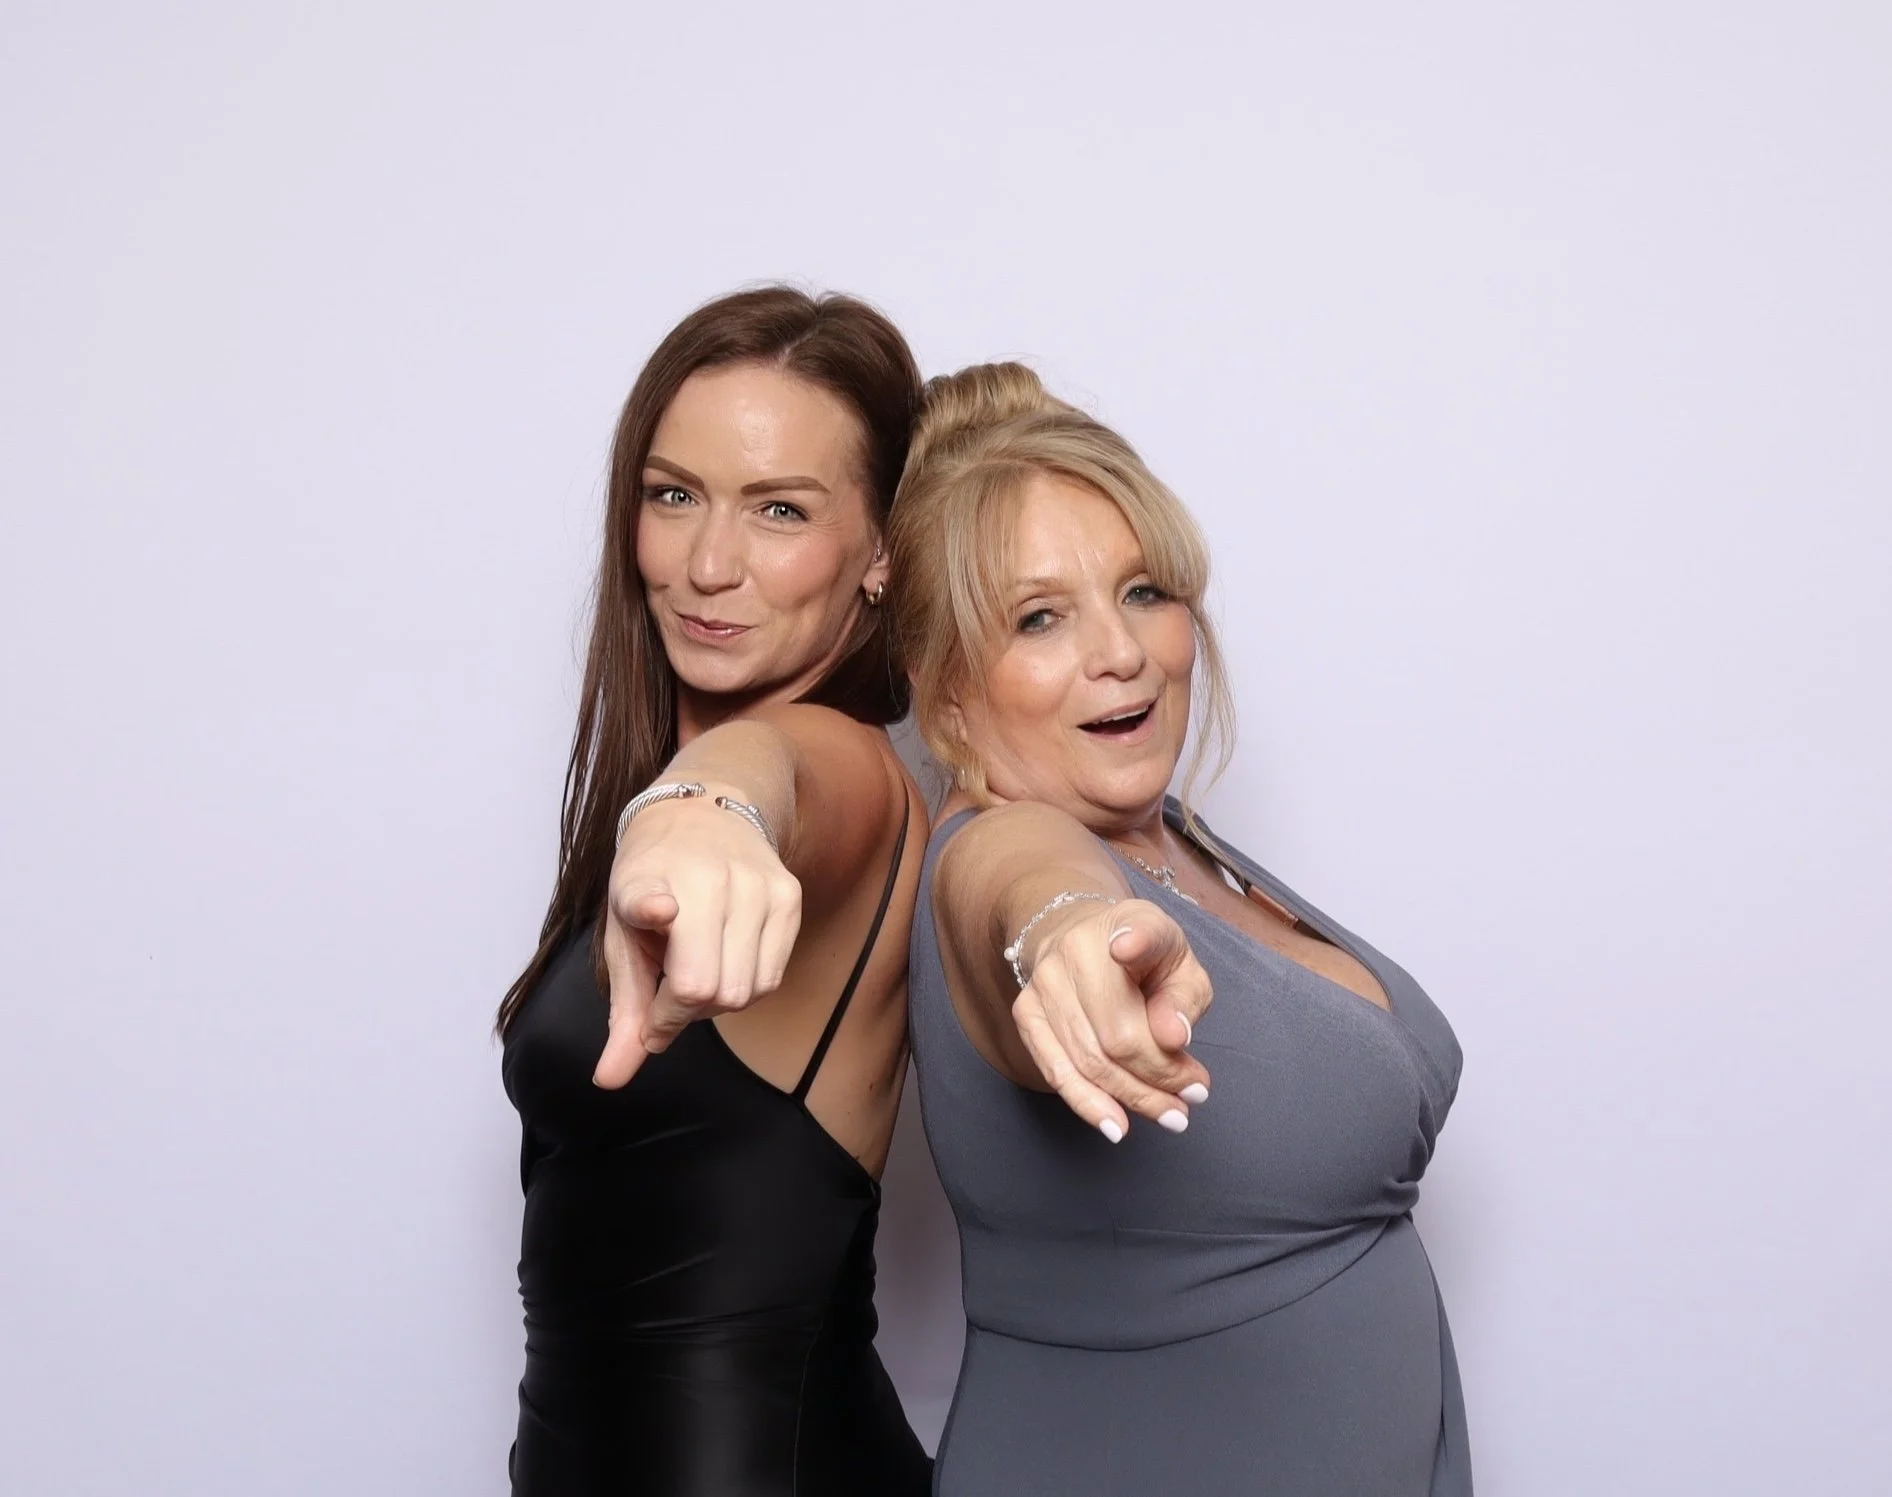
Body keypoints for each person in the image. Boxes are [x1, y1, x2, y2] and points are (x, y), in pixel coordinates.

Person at [886, 363, 1472, 1495]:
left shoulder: (1181, 844)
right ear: (945, 692)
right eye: (1039, 618)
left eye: (1144, 590)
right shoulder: (997, 850)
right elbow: (1020, 890)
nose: (1123, 651)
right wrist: (1063, 931)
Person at [498, 287, 934, 1495]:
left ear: (881, 554)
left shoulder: (849, 771)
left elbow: (776, 775)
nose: (705, 562)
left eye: (779, 510)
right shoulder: (637, 812)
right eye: (672, 494)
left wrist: (712, 811)